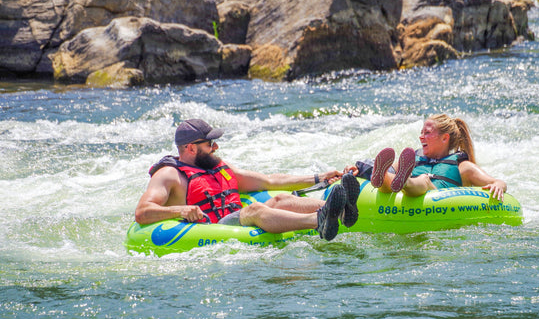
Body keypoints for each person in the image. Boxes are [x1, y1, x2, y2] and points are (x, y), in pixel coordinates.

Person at [135, 119, 360, 241]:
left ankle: (340, 210)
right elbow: (142, 212)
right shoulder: (168, 174)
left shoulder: (217, 166)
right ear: (191, 148)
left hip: (233, 217)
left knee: (281, 198)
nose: (216, 147)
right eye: (210, 144)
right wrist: (180, 211)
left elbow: (269, 182)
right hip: (212, 228)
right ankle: (317, 221)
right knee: (254, 209)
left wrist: (319, 177)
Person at [344, 114, 507, 201]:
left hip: (437, 197)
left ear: (445, 138)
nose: (421, 137)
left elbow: (497, 182)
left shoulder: (462, 167)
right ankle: (384, 178)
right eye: (421, 132)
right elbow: (390, 167)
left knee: (424, 180)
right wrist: (359, 170)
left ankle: (404, 181)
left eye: (427, 133)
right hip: (404, 196)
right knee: (388, 175)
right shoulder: (415, 159)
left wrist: (499, 185)